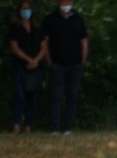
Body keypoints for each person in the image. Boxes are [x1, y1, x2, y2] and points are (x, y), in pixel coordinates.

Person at [42, 0, 88, 135]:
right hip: (57, 64)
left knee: (72, 95)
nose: (65, 4)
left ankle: (67, 127)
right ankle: (55, 127)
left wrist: (82, 61)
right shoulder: (50, 19)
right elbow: (44, 42)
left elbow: (84, 41)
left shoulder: (78, 20)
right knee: (56, 95)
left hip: (75, 64)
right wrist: (49, 61)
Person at [8, 0, 47, 135]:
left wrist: (35, 61)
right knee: (20, 96)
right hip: (20, 66)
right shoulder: (14, 27)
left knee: (31, 96)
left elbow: (44, 47)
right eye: (23, 8)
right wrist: (29, 60)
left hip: (36, 67)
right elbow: (14, 48)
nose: (26, 11)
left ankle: (28, 125)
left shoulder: (38, 28)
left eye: (28, 8)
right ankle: (16, 124)